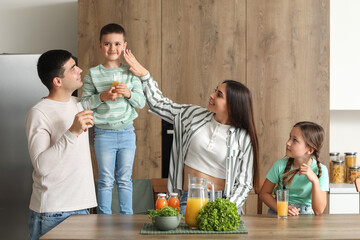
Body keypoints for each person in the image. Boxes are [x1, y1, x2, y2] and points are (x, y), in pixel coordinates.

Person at [123, 49, 259, 215]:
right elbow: (159, 104)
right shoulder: (194, 115)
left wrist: (226, 209)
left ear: (232, 105)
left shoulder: (242, 138)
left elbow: (244, 183)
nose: (211, 95)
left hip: (222, 203)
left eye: (219, 94)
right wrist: (144, 75)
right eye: (215, 90)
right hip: (187, 199)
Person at [26, 50, 97, 240]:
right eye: (73, 68)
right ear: (57, 81)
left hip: (83, 208)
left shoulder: (79, 104)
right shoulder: (39, 113)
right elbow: (41, 166)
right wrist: (72, 132)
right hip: (54, 213)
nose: (80, 70)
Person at [81, 23, 146, 214]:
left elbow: (141, 102)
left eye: (117, 44)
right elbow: (84, 103)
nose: (112, 48)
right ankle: (104, 221)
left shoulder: (131, 72)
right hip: (103, 134)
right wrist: (102, 97)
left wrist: (128, 94)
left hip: (127, 132)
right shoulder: (93, 74)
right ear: (100, 46)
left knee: (125, 179)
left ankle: (127, 219)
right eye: (107, 44)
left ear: (124, 46)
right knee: (105, 180)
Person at [259, 121, 329, 216]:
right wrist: (280, 208)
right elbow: (264, 194)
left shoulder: (321, 170)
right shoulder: (279, 166)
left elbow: (318, 211)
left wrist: (315, 180)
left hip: (307, 218)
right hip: (280, 214)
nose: (288, 143)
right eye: (290, 137)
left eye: (294, 140)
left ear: (310, 150)